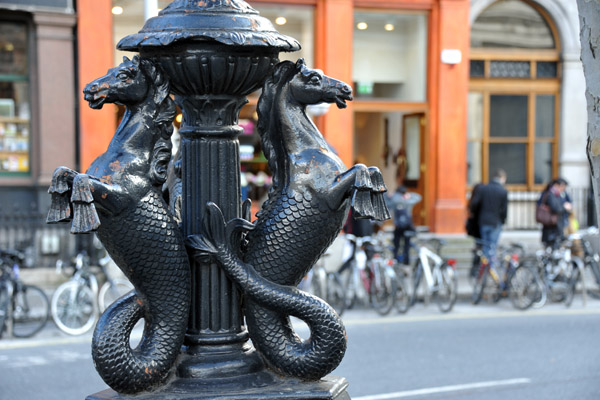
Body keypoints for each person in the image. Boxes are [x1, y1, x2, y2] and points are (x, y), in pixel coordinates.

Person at [468, 169, 508, 266]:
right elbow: (505, 210)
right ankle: (490, 269)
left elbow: (474, 204)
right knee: (492, 247)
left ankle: (484, 269)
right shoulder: (503, 191)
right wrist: (502, 220)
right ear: (502, 178)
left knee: (485, 246)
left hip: (483, 222)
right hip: (495, 222)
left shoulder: (484, 189)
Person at [387, 185, 422, 264]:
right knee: (406, 246)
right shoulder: (408, 200)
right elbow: (418, 197)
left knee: (396, 245)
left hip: (397, 226)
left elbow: (388, 201)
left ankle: (396, 261)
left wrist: (393, 195)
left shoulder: (394, 199)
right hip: (407, 226)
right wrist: (409, 195)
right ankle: (406, 262)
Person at [539, 178, 571, 248]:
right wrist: (564, 207)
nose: (563, 189)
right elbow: (556, 208)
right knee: (551, 245)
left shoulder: (557, 194)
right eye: (562, 186)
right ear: (556, 185)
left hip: (554, 224)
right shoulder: (551, 194)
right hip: (551, 225)